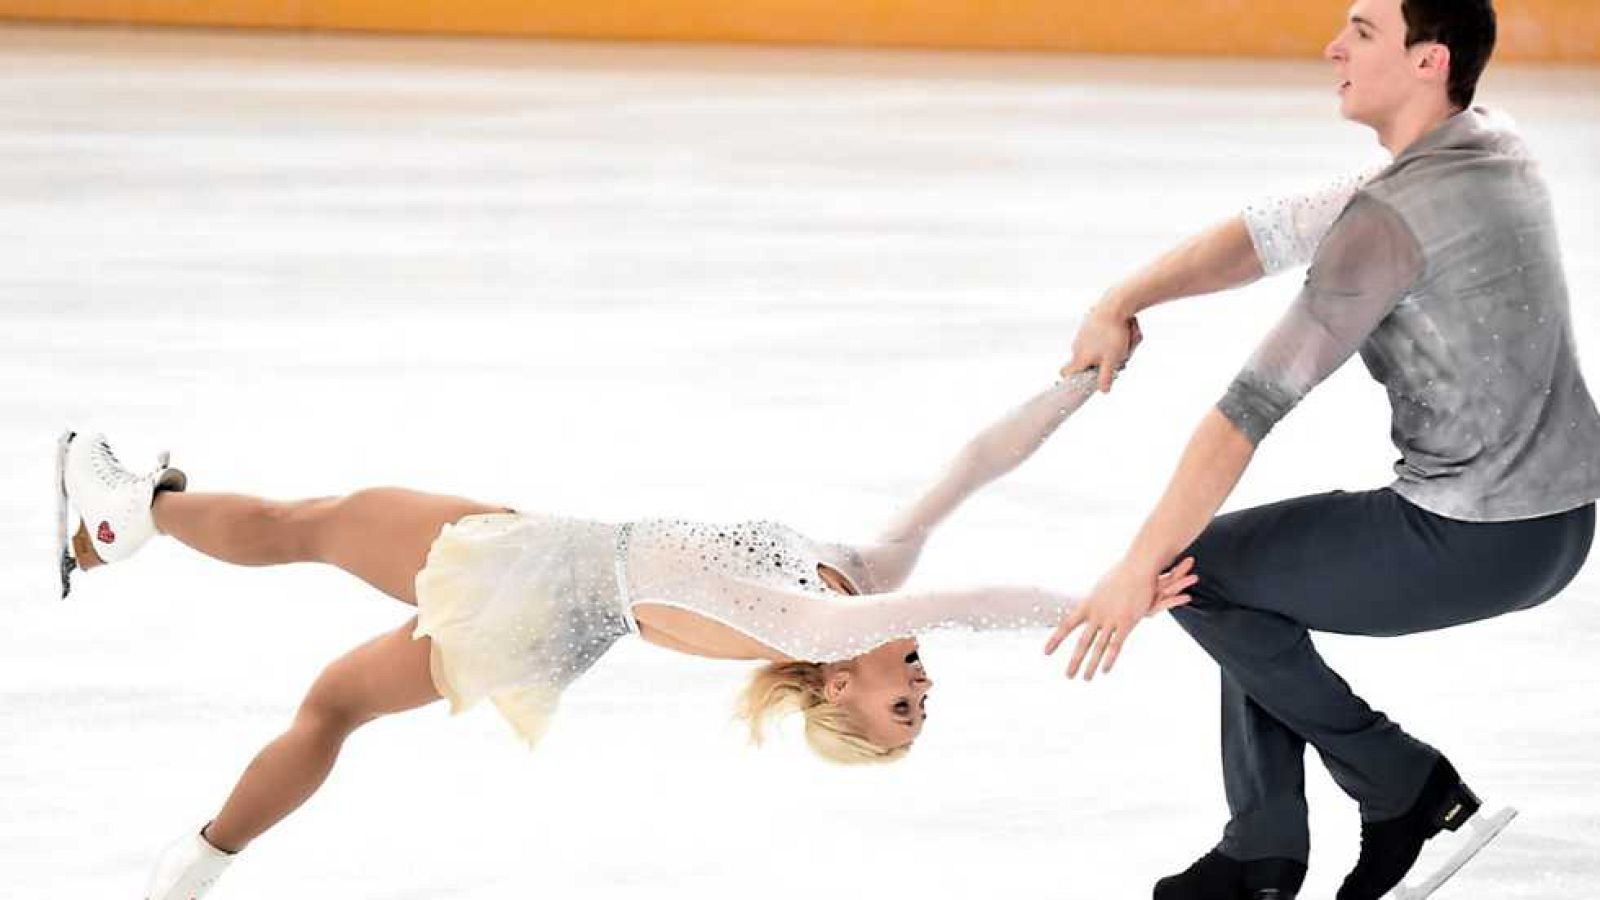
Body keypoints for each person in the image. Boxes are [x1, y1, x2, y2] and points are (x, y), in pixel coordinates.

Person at [55, 371, 1196, 900]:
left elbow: (964, 605)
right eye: (922, 705)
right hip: (557, 606)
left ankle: (128, 510)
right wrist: (1075, 385)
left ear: (839, 692)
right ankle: (196, 866)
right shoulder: (857, 581)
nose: (922, 688)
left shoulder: (812, 619)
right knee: (338, 705)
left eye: (901, 707)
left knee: (309, 526)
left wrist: (1113, 597)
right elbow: (967, 474)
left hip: (536, 572)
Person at [1047, 1, 1600, 898]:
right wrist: (1125, 297)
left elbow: (1246, 413)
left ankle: (1395, 787)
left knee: (1198, 570)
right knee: (1234, 570)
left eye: (1364, 32)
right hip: (1562, 526)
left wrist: (1131, 568)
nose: (1332, 47)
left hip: (1473, 539)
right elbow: (1271, 230)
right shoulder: (1492, 146)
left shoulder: (1388, 221)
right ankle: (1264, 850)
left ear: (1431, 60)